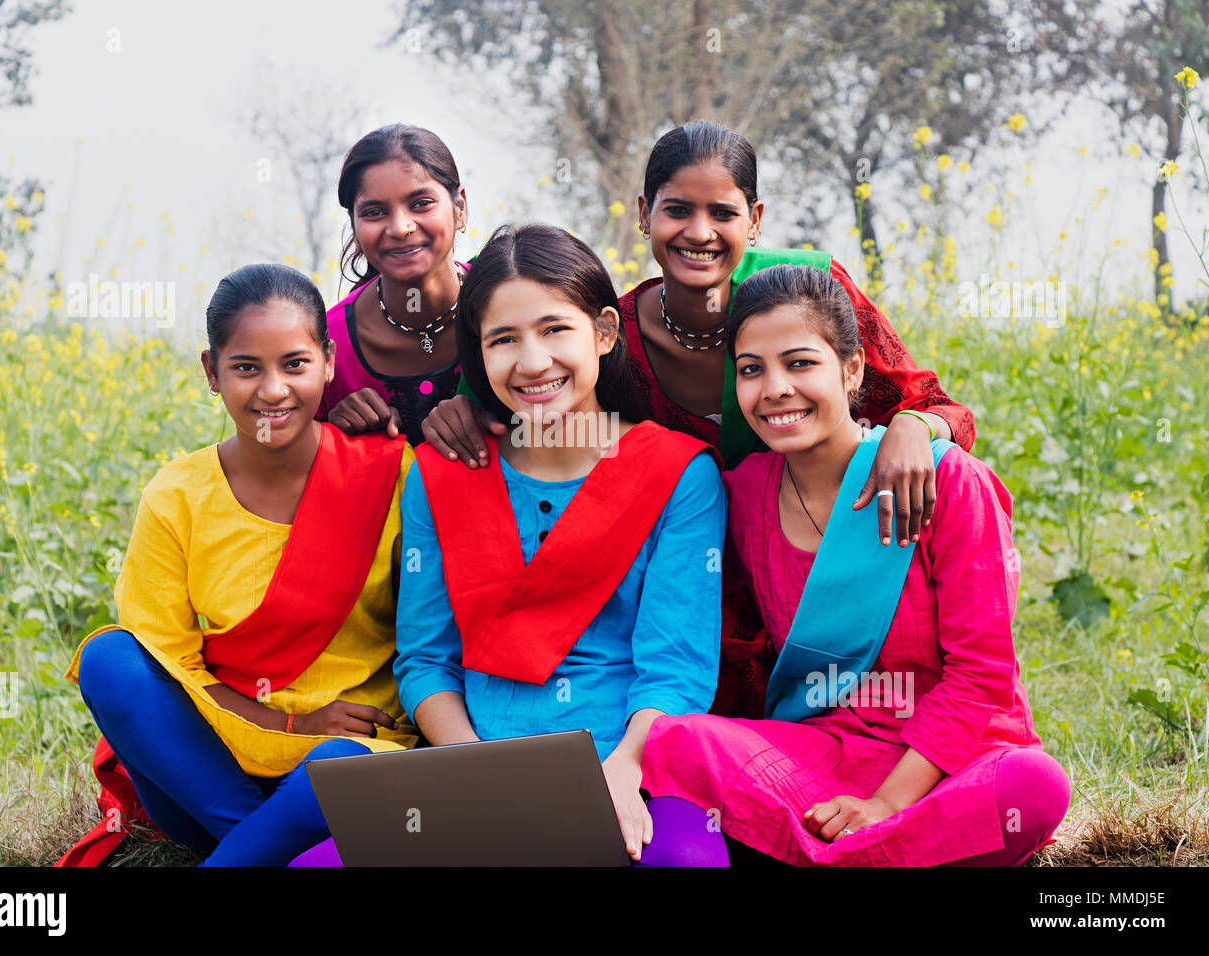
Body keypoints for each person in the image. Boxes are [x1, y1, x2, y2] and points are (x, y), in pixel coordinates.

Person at [420, 121, 977, 717]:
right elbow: (544, 404)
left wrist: (914, 427)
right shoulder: (622, 334)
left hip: (815, 564)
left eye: (723, 213)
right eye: (677, 210)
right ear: (644, 213)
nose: (700, 232)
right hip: (693, 588)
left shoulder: (804, 294)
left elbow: (939, 408)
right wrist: (460, 407)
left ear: (755, 219)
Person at [636, 264, 1070, 866]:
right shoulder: (742, 492)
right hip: (824, 753)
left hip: (952, 760)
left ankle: (820, 849)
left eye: (800, 363)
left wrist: (887, 804)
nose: (775, 389)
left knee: (1033, 786)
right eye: (750, 370)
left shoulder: (946, 482)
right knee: (672, 743)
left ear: (852, 368)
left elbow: (981, 676)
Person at [58, 263, 416, 868]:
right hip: (213, 770)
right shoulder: (177, 495)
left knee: (334, 769)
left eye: (294, 364)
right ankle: (264, 842)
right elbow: (170, 665)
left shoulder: (390, 475)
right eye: (246, 367)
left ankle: (246, 853)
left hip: (350, 757)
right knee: (109, 658)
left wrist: (319, 740)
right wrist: (295, 726)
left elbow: (431, 636)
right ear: (211, 372)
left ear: (328, 363)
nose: (272, 390)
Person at [398, 222, 726, 863]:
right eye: (503, 340)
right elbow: (425, 659)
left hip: (631, 762)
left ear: (603, 332)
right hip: (479, 762)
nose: (532, 361)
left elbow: (675, 668)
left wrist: (625, 770)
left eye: (554, 329)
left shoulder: (680, 476)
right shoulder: (439, 475)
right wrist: (473, 766)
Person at [318, 124, 471, 445]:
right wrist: (329, 436)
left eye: (421, 203)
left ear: (460, 207)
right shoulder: (326, 348)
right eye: (374, 212)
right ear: (355, 226)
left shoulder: (513, 306)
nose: (400, 227)